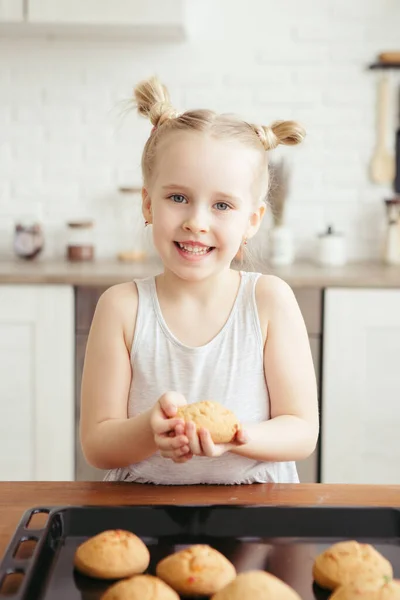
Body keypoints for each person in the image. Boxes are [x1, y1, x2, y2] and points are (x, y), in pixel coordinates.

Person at [79, 76, 319, 485]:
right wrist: (149, 431)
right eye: (178, 198)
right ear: (148, 203)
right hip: (141, 515)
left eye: (222, 205)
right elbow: (98, 445)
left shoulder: (269, 301)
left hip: (259, 515)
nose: (196, 222)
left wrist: (239, 437)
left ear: (252, 221)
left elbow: (301, 430)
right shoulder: (121, 307)